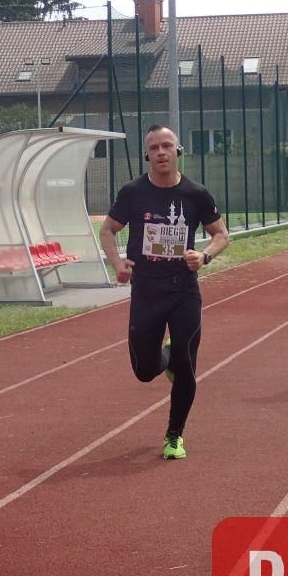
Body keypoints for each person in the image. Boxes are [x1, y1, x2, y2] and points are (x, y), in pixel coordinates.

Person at [99, 125, 229, 460]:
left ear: (178, 150)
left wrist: (204, 256)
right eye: (154, 147)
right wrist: (118, 264)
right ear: (147, 154)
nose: (161, 152)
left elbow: (221, 234)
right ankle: (166, 357)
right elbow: (108, 230)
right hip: (146, 292)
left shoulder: (196, 194)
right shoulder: (133, 192)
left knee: (187, 363)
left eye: (167, 146)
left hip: (183, 290)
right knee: (144, 371)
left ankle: (174, 435)